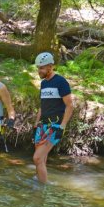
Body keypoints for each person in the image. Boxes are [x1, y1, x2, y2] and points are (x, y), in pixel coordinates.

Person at [32, 52, 73, 183]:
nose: (39, 70)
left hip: (55, 125)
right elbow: (42, 106)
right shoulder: (43, 84)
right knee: (41, 159)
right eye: (38, 68)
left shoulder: (61, 82)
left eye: (42, 68)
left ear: (50, 67)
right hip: (42, 125)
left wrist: (62, 127)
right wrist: (36, 124)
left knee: (37, 158)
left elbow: (70, 106)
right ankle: (39, 185)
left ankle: (44, 188)